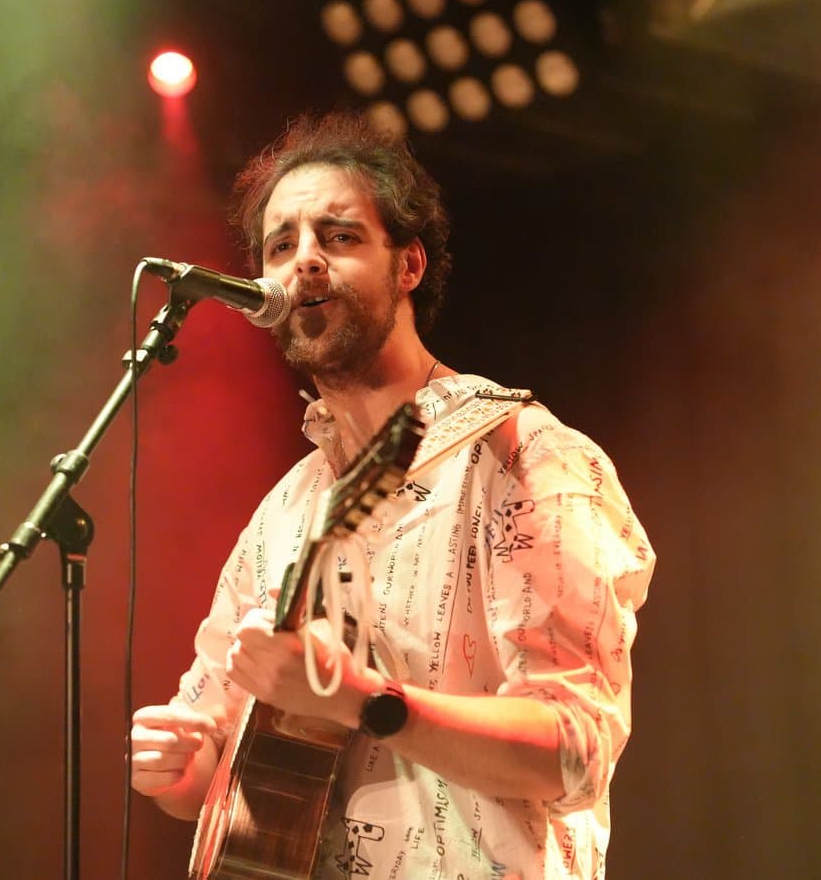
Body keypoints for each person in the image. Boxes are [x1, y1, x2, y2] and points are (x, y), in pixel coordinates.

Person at [129, 111, 655, 879]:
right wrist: (179, 771)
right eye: (281, 246)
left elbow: (576, 747)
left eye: (338, 237)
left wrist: (367, 701)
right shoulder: (285, 514)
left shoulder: (521, 453)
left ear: (408, 266)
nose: (304, 261)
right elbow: (221, 760)